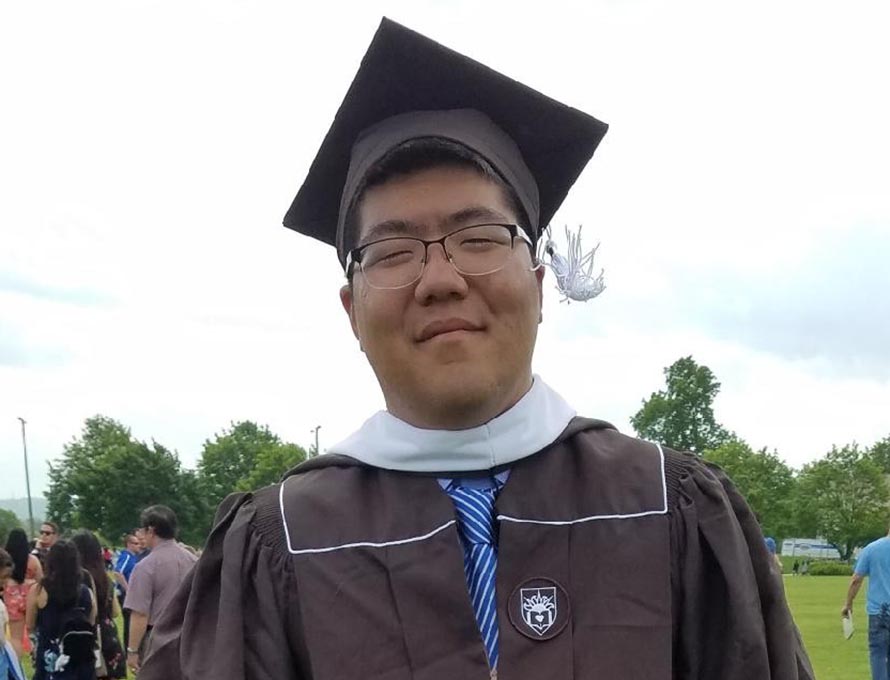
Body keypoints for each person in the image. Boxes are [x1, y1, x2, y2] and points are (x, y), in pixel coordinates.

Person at [139, 18, 814, 680]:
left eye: (481, 239)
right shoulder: (277, 540)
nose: (440, 280)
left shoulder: (671, 507)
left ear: (541, 285)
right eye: (393, 251)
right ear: (351, 310)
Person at [123, 505, 196, 673]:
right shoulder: (193, 561)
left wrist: (132, 650)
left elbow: (140, 614)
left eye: (142, 530)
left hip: (158, 639)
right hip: (191, 639)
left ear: (151, 530)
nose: (140, 534)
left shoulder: (145, 567)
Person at [25, 540, 96, 680]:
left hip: (50, 655)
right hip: (80, 655)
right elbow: (92, 620)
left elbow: (30, 624)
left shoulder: (39, 590)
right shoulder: (86, 592)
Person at [72, 531, 126, 679]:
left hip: (85, 636)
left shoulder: (76, 581)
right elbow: (115, 612)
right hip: (108, 635)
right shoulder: (105, 579)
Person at [843, 529, 890, 680]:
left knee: (878, 656)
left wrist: (848, 604)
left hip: (879, 612)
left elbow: (856, 579)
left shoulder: (872, 549)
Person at [4, 527, 43, 660]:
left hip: (12, 595)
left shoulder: (5, 560)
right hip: (30, 595)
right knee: (35, 632)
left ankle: (17, 665)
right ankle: (37, 657)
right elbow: (41, 580)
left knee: (16, 637)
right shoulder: (32, 560)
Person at [112, 531, 144, 652]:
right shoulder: (126, 556)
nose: (138, 545)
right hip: (126, 595)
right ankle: (128, 648)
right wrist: (128, 588)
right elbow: (117, 572)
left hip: (130, 594)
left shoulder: (133, 557)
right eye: (136, 543)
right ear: (129, 544)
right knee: (129, 623)